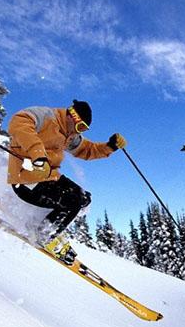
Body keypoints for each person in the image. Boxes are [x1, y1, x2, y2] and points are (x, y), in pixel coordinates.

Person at [7, 99, 126, 263]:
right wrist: (37, 154)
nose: (79, 132)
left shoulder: (69, 135)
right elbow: (18, 122)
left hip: (48, 177)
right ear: (72, 116)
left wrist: (110, 146)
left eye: (83, 129)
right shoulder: (46, 116)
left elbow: (86, 149)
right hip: (26, 177)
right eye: (80, 127)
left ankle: (44, 224)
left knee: (83, 197)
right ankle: (44, 234)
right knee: (73, 202)